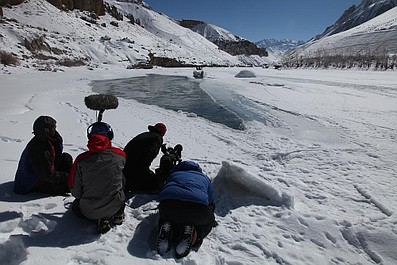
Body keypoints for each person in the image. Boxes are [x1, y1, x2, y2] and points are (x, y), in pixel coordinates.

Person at [68, 121, 126, 234]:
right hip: (116, 205)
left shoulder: (81, 160)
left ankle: (100, 218)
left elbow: (76, 192)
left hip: (89, 211)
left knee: (76, 206)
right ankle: (116, 214)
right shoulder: (120, 155)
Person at [156, 161, 217, 258]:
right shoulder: (204, 178)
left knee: (166, 217)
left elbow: (164, 191)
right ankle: (193, 233)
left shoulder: (173, 175)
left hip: (168, 207)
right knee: (207, 222)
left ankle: (167, 227)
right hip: (197, 210)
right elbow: (211, 200)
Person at [14, 115, 72, 195]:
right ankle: (74, 182)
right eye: (52, 128)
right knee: (68, 186)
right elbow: (47, 175)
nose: (55, 130)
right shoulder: (39, 150)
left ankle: (75, 180)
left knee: (66, 158)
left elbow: (56, 157)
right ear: (46, 131)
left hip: (44, 171)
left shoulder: (50, 139)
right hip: (33, 183)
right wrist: (67, 177)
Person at [123, 123, 167, 193]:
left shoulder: (145, 134)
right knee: (156, 184)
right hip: (133, 170)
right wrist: (144, 171)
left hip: (124, 165)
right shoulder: (157, 138)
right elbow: (150, 154)